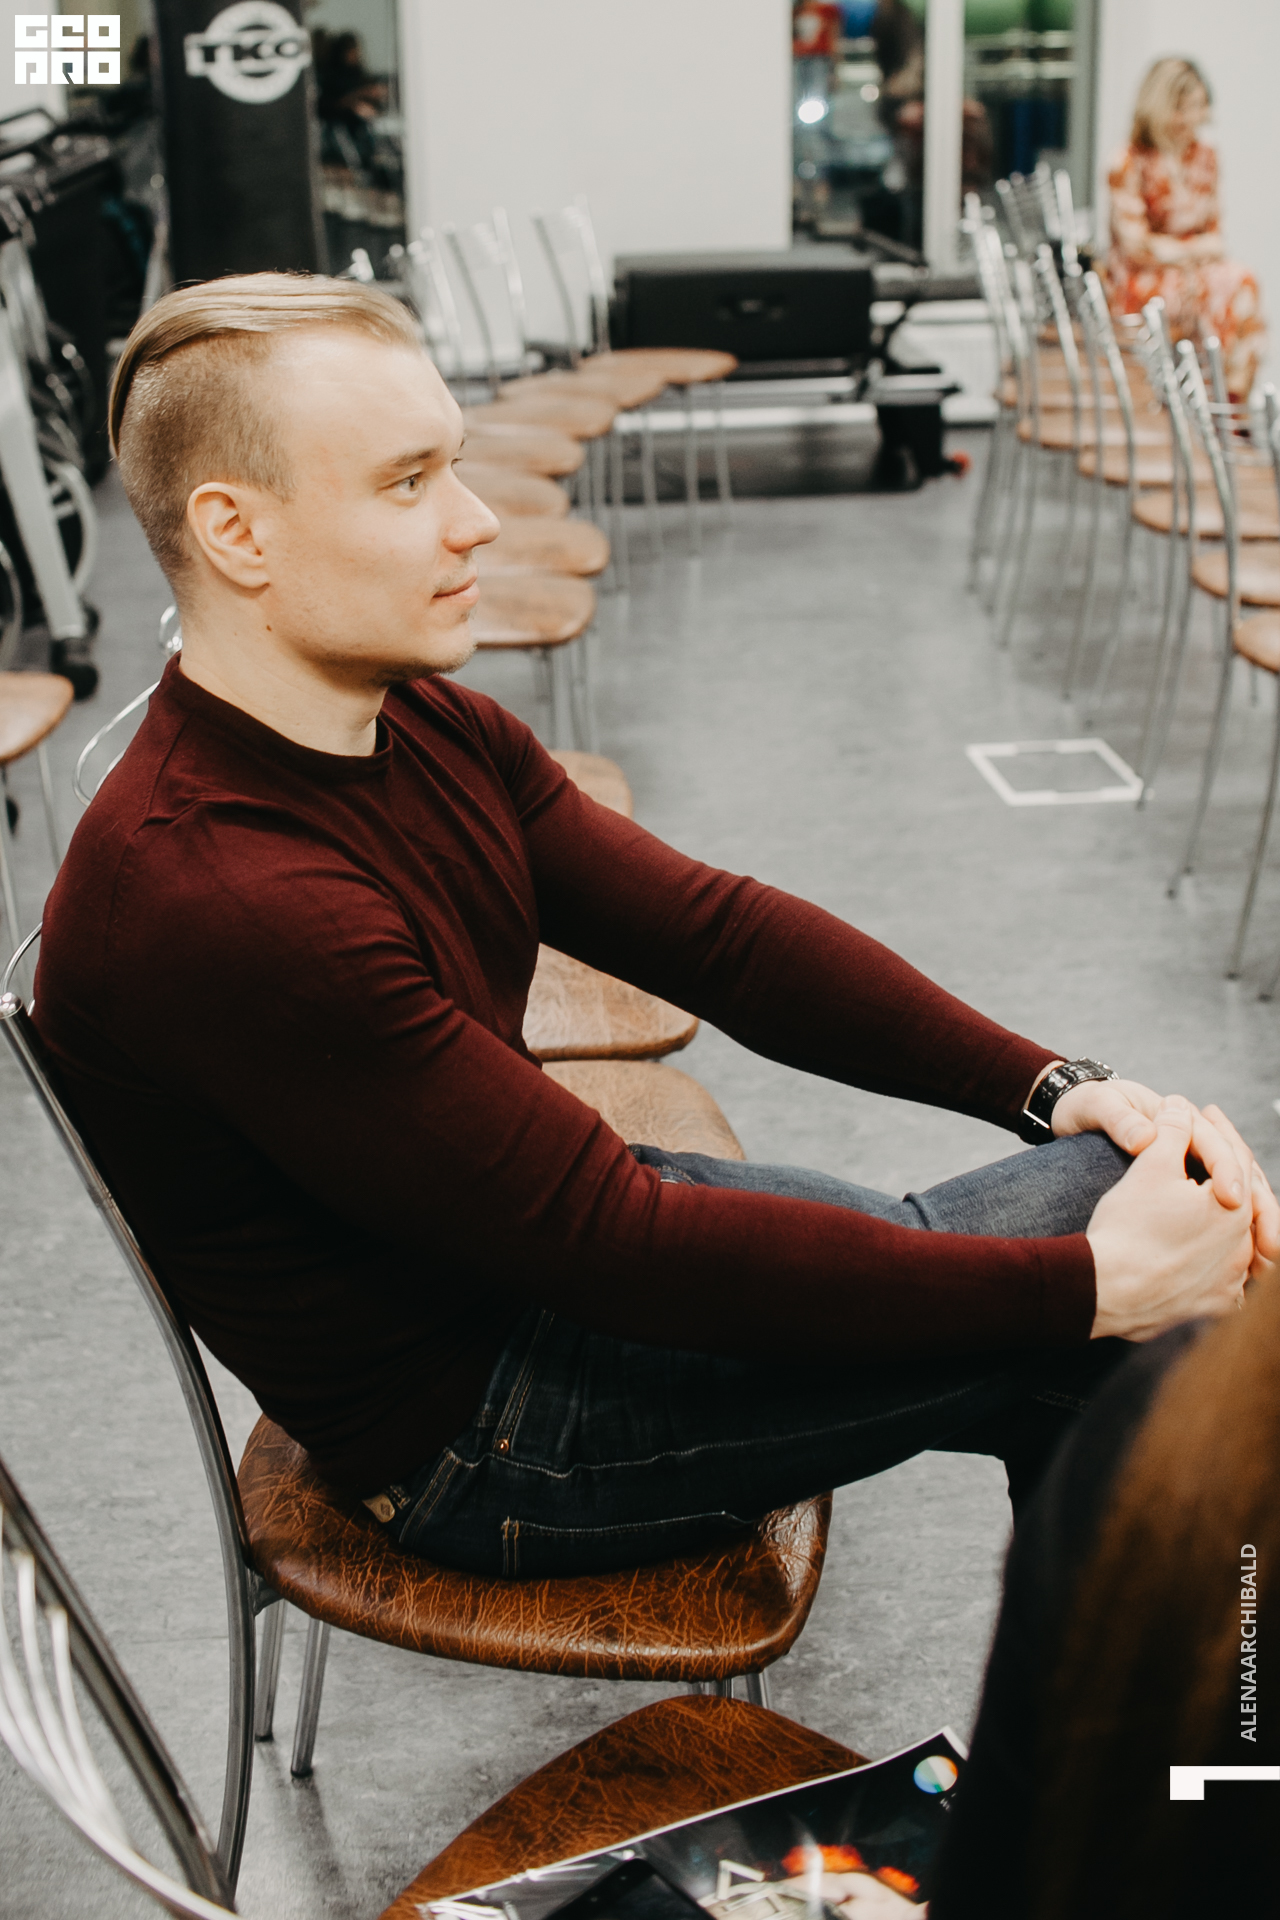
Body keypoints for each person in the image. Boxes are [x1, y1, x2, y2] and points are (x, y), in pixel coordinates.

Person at [32, 275, 1278, 1582]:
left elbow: (717, 936)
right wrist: (1088, 1289)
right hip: (488, 1434)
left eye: (453, 465)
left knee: (1145, 1211)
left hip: (539, 1258)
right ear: (236, 533)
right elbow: (616, 1244)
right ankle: (1179, 1715)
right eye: (407, 484)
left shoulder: (409, 719)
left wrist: (1053, 1088)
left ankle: (1132, 1708)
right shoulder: (229, 899)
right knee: (1138, 1312)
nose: (474, 519)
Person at [1105, 57, 1266, 399]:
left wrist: (1182, 250)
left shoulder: (1204, 158)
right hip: (1138, 281)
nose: (1192, 119)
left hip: (1190, 272)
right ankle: (1211, 403)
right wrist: (1194, 249)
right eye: (1182, 109)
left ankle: (1225, 402)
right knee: (1224, 292)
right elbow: (1138, 247)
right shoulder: (1128, 161)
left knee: (1243, 284)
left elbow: (1215, 236)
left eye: (1198, 107)